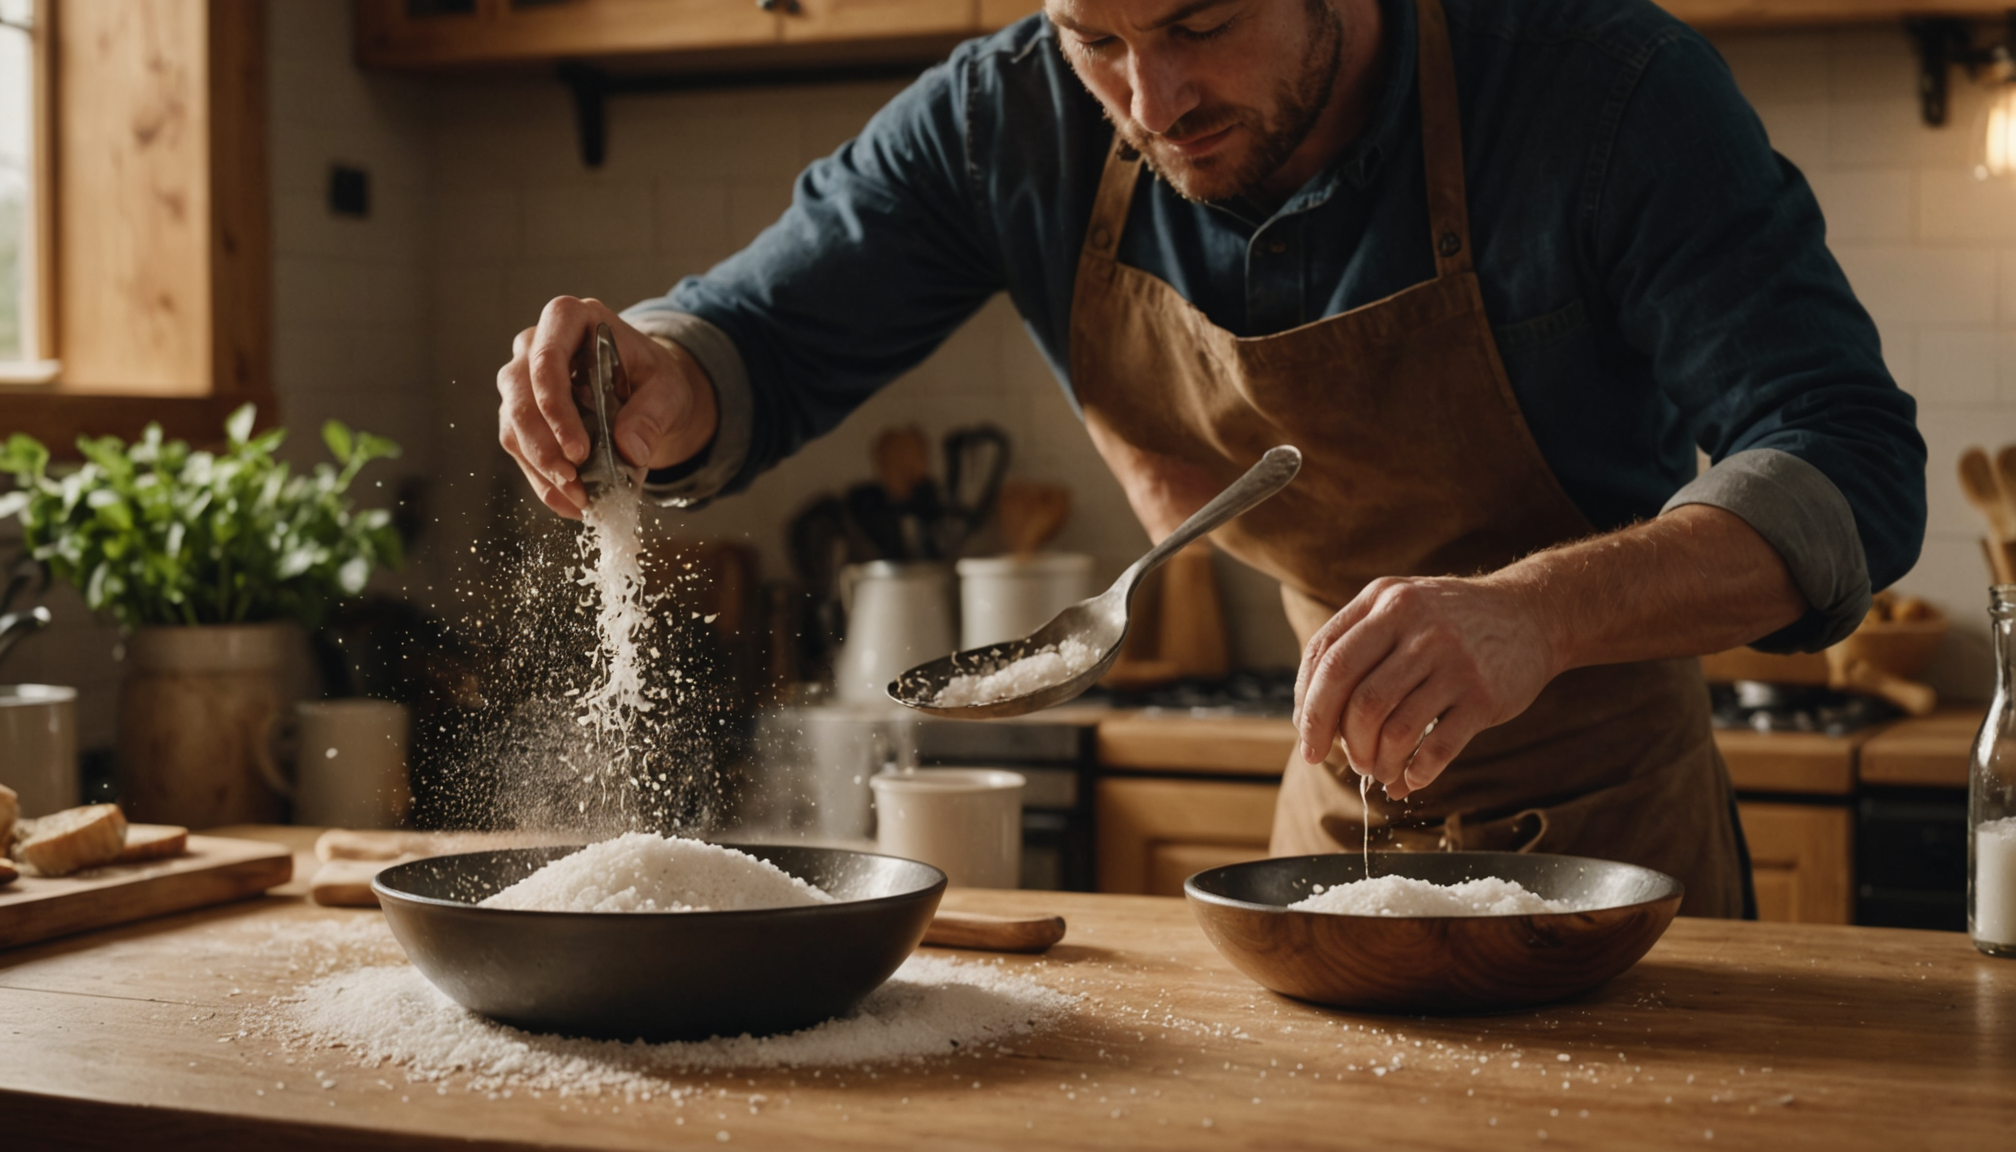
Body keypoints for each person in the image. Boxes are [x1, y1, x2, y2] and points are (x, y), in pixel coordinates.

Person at [496, 0, 1926, 917]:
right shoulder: (1010, 121)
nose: (1151, 97)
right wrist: (658, 384)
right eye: (1096, 37)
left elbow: (1846, 457)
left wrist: (1534, 613)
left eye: (1203, 20)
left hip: (1623, 849)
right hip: (1328, 829)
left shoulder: (1605, 91)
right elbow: (759, 331)